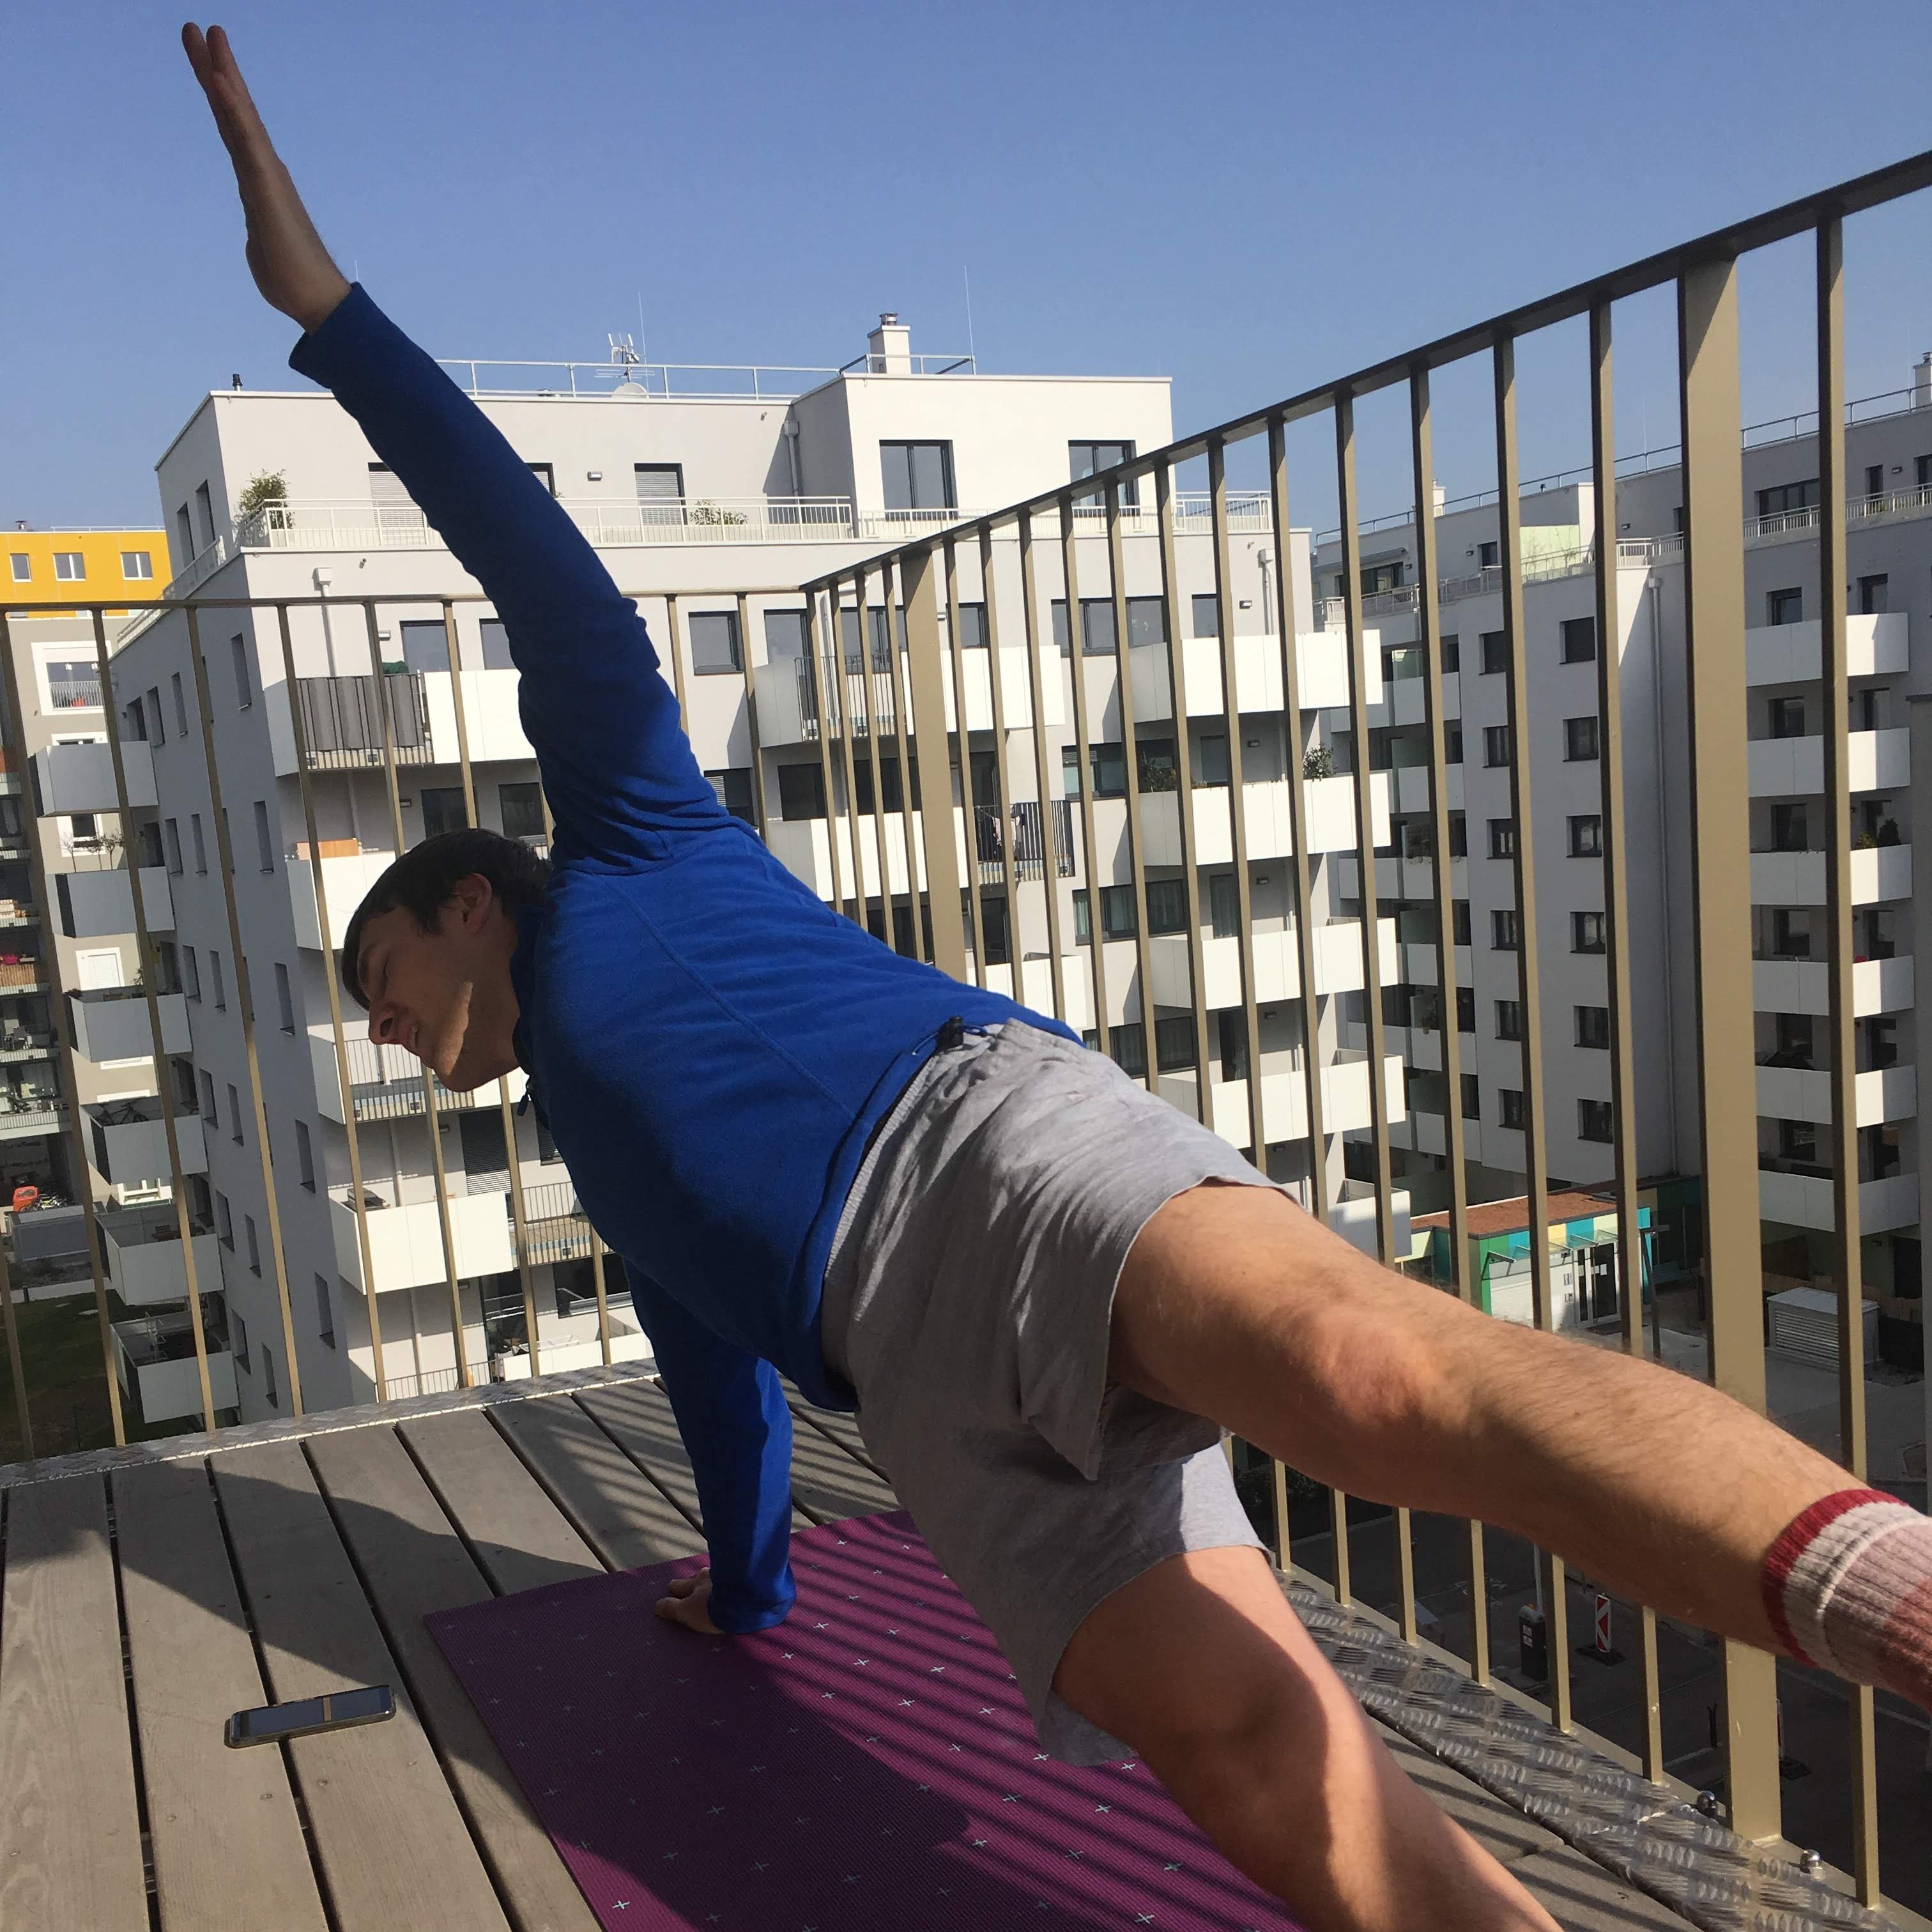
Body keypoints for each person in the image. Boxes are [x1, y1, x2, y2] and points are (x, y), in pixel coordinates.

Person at [183, 26, 1932, 1930]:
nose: (372, 1026)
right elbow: (722, 1386)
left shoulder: (628, 844)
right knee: (1248, 1755)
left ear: (471, 904)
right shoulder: (597, 1154)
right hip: (919, 1396)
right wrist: (747, 1589)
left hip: (983, 1159)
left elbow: (546, 580)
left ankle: (1895, 1595)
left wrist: (333, 315)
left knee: (1371, 1373)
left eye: (376, 972)